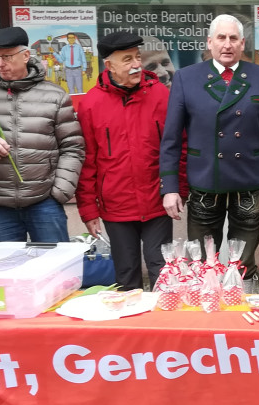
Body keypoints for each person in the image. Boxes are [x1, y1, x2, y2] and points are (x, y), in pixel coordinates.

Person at [160, 13, 259, 290]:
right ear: (210, 42)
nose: (227, 44)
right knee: (202, 261)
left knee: (243, 262)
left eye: (233, 38)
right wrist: (169, 187)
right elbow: (171, 139)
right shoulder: (186, 78)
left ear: (242, 43)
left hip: (249, 183)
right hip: (205, 182)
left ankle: (242, 310)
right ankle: (204, 318)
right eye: (221, 38)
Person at [76, 32, 186, 290]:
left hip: (157, 200)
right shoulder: (91, 103)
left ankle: (163, 327)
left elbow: (178, 145)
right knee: (126, 274)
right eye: (127, 59)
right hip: (116, 205)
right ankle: (131, 327)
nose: (136, 64)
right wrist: (88, 210)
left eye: (137, 57)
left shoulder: (160, 94)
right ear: (109, 66)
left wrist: (179, 188)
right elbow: (87, 160)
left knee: (162, 269)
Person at [0, 26, 84, 243]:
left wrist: (59, 192)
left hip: (45, 202)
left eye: (6, 57)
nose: (0, 64)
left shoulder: (55, 95)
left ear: (26, 56)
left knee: (53, 272)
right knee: (7, 273)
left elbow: (73, 147)